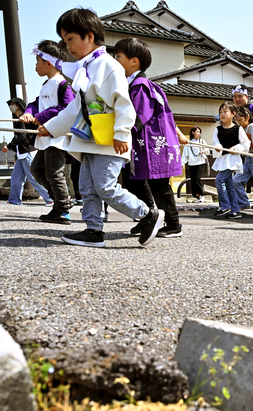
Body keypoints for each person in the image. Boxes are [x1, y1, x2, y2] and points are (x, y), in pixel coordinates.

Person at [38, 7, 164, 248]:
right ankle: (93, 230)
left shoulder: (108, 65)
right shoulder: (86, 68)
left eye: (71, 39)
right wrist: (51, 127)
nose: (68, 46)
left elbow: (123, 103)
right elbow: (75, 108)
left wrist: (120, 133)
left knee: (105, 186)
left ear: (90, 36)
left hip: (108, 139)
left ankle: (148, 214)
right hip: (88, 137)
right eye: (65, 41)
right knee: (87, 187)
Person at [114, 37, 184, 238]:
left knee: (159, 185)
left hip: (153, 145)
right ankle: (148, 218)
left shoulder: (141, 85)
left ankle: (174, 224)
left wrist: (117, 130)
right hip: (142, 145)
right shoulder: (135, 84)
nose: (115, 60)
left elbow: (137, 116)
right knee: (134, 182)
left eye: (118, 56)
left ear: (133, 61)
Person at [20, 40, 75, 224]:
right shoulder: (47, 84)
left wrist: (41, 116)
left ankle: (63, 210)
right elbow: (35, 103)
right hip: (44, 137)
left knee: (54, 173)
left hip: (56, 136)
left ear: (48, 63)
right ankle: (60, 204)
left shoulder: (62, 84)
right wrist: (28, 113)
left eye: (37, 61)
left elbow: (68, 107)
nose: (35, 65)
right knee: (37, 169)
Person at [2, 97, 53, 206]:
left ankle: (51, 198)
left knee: (33, 178)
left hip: (27, 152)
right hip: (22, 154)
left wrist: (9, 146)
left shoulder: (22, 119)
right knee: (16, 178)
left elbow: (21, 136)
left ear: (18, 106)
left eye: (13, 104)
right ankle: (14, 200)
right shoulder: (21, 119)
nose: (11, 106)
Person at [211, 102, 250, 219]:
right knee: (230, 186)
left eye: (225, 111)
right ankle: (235, 210)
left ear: (233, 114)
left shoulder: (238, 129)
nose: (222, 114)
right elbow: (215, 142)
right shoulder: (218, 129)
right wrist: (217, 147)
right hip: (223, 159)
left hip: (232, 160)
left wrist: (236, 148)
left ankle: (225, 206)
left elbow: (245, 144)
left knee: (219, 180)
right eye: (220, 112)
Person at [182, 126, 209, 203]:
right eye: (197, 132)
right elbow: (185, 154)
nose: (199, 133)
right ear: (193, 132)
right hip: (191, 163)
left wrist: (204, 152)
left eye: (200, 132)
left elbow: (207, 150)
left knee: (197, 178)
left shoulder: (202, 141)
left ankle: (201, 195)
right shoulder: (188, 142)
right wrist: (183, 163)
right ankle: (197, 197)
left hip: (201, 163)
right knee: (193, 180)